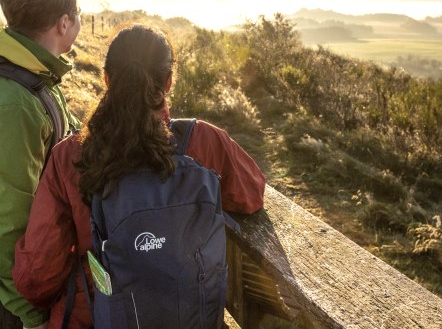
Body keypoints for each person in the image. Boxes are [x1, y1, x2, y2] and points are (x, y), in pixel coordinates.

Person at [14, 24, 266, 328]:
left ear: (106, 79)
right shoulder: (205, 141)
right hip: (188, 316)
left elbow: (37, 277)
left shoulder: (70, 155)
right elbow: (252, 194)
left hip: (92, 317)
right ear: (169, 81)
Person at [0, 0, 81, 329]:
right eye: (77, 14)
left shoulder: (37, 74)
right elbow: (7, 224)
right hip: (13, 303)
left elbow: (74, 139)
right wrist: (33, 317)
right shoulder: (17, 102)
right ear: (64, 24)